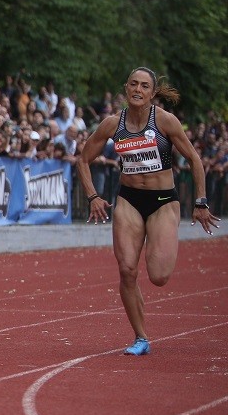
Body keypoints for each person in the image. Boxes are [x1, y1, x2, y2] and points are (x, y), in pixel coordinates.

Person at [76, 67, 218, 356]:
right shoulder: (113, 124)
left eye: (144, 86)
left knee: (158, 275)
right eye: (133, 84)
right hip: (128, 200)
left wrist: (201, 202)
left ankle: (159, 244)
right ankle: (141, 337)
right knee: (127, 270)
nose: (137, 90)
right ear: (126, 89)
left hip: (163, 200)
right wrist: (93, 196)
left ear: (152, 93)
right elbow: (83, 159)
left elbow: (194, 159)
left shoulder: (165, 121)